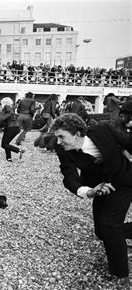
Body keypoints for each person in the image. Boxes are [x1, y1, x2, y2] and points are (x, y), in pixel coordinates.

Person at [51, 113, 132, 279]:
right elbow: (69, 176)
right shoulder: (63, 151)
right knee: (102, 232)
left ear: (78, 134)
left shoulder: (103, 129)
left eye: (62, 137)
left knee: (110, 225)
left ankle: (119, 274)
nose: (58, 142)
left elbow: (129, 142)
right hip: (100, 188)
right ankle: (116, 237)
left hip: (125, 180)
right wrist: (88, 191)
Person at [0, 97, 24, 162]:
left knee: (4, 144)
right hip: (16, 127)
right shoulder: (12, 107)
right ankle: (9, 158)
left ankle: (18, 151)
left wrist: (2, 118)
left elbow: (10, 113)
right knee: (6, 143)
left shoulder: (7, 107)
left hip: (10, 127)